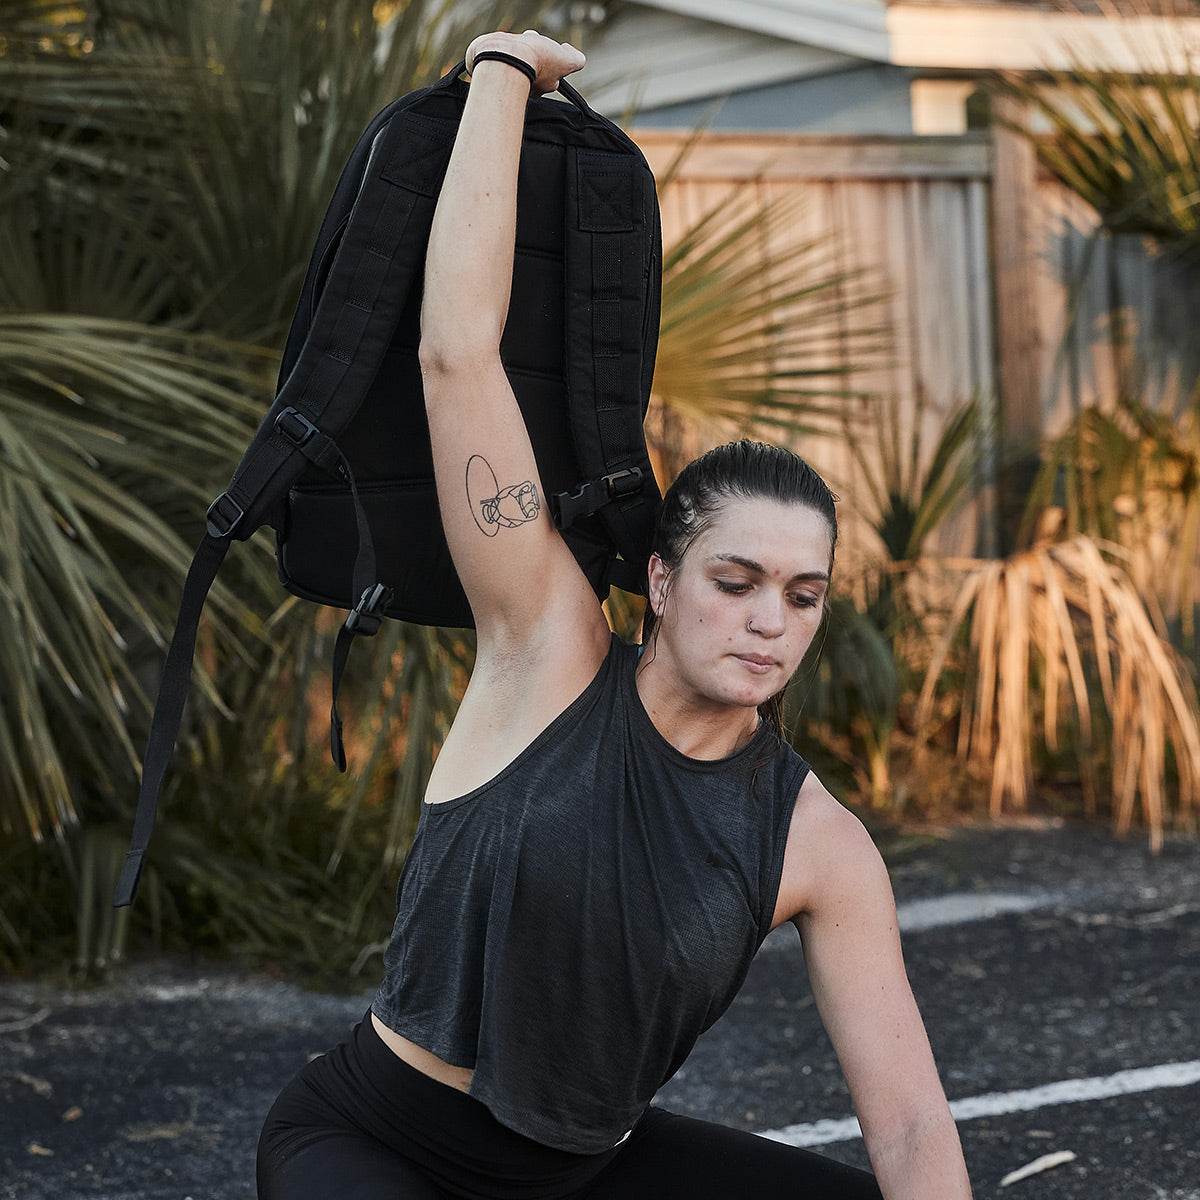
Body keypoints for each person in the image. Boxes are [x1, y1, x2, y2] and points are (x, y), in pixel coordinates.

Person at [257, 29, 973, 1200]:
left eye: (803, 596)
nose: (769, 623)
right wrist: (500, 76)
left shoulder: (816, 843)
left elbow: (905, 1127)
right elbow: (455, 356)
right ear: (659, 579)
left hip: (587, 1174)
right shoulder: (545, 649)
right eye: (734, 582)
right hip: (378, 1144)